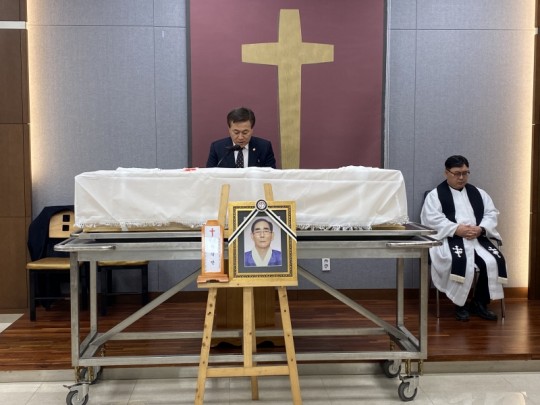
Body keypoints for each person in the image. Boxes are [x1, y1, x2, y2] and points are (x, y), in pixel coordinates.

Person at [420, 155, 507, 322]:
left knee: (493, 261)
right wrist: (456, 229)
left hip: (477, 239)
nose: (461, 177)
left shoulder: (479, 193)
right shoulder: (435, 195)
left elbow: (491, 213)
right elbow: (431, 219)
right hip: (449, 240)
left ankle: (480, 303)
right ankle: (460, 305)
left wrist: (481, 229)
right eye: (457, 173)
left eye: (465, 173)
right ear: (446, 173)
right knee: (460, 261)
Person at [206, 107, 277, 169]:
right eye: (236, 132)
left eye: (245, 132)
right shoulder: (217, 148)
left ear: (252, 130)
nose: (240, 137)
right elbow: (209, 175)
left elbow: (271, 175)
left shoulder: (264, 147)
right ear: (229, 130)